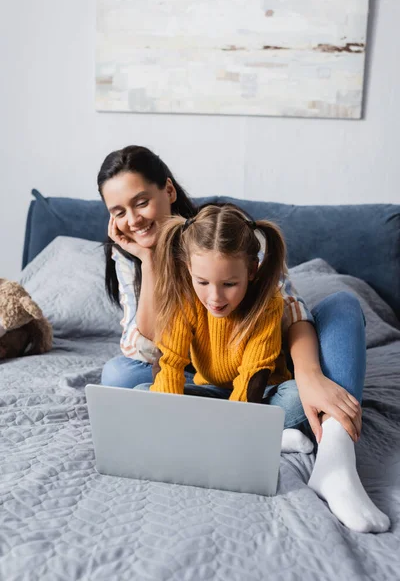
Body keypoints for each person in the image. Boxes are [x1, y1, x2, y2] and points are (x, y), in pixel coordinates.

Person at [97, 145, 390, 533]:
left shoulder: (230, 232)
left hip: (264, 377)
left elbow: (291, 311)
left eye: (141, 202)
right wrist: (150, 264)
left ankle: (335, 455)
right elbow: (147, 349)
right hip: (197, 377)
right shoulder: (129, 255)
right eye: (118, 212)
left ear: (167, 191)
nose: (132, 220)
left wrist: (310, 376)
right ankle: (269, 432)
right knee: (118, 377)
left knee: (341, 306)